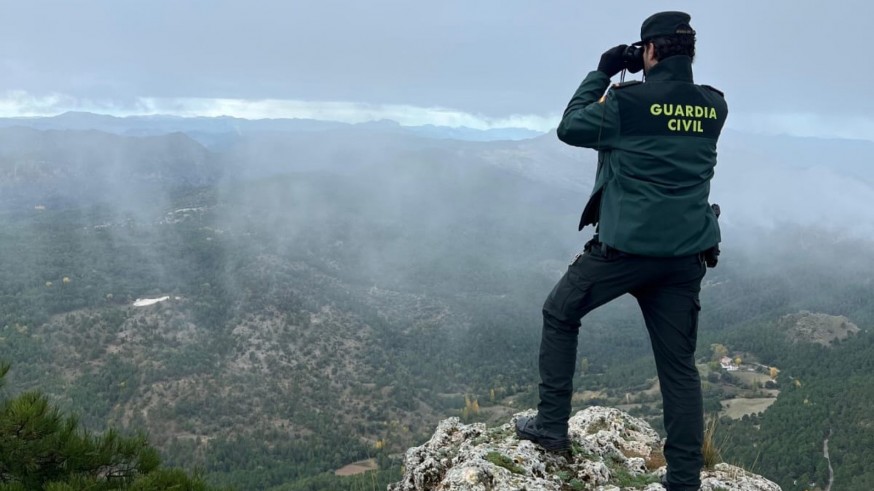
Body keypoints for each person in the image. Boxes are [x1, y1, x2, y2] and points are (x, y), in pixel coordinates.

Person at [515, 11, 728, 491]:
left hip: (623, 251)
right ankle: (685, 481)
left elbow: (570, 127)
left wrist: (603, 70)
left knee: (560, 311)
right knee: (678, 368)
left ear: (649, 51)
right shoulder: (715, 107)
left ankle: (551, 425)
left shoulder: (626, 103)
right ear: (689, 52)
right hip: (685, 257)